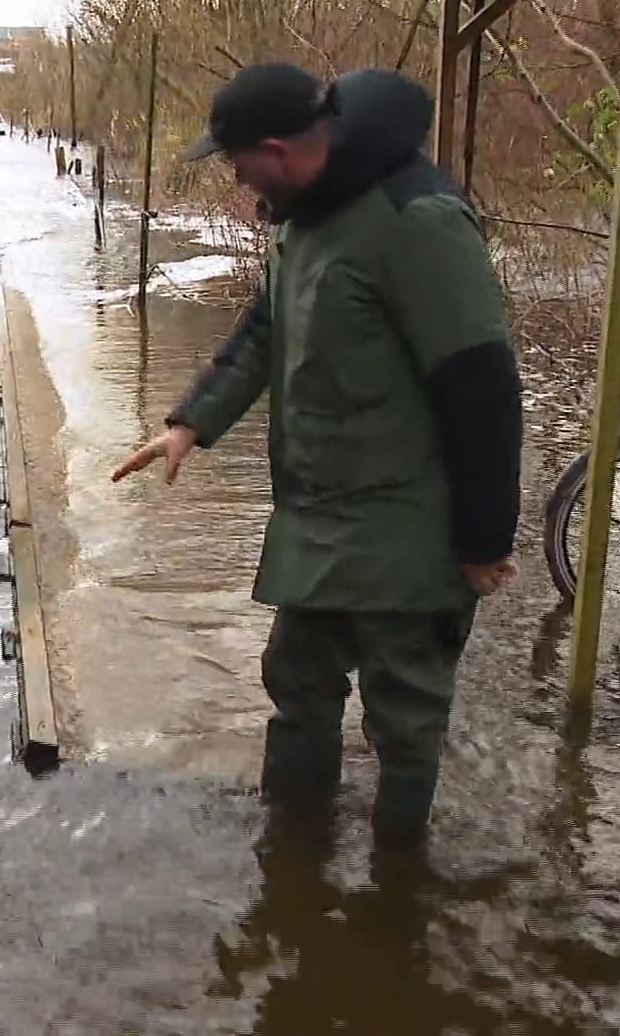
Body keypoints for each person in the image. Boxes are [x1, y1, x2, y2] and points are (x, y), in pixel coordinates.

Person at [111, 62, 524, 844]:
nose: (235, 179)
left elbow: (482, 389)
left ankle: (396, 887)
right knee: (296, 684)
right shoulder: (298, 218)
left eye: (238, 163)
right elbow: (265, 329)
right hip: (317, 520)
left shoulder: (418, 220)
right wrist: (191, 423)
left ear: (278, 150)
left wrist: (483, 541)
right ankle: (291, 863)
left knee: (405, 720)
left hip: (409, 529)